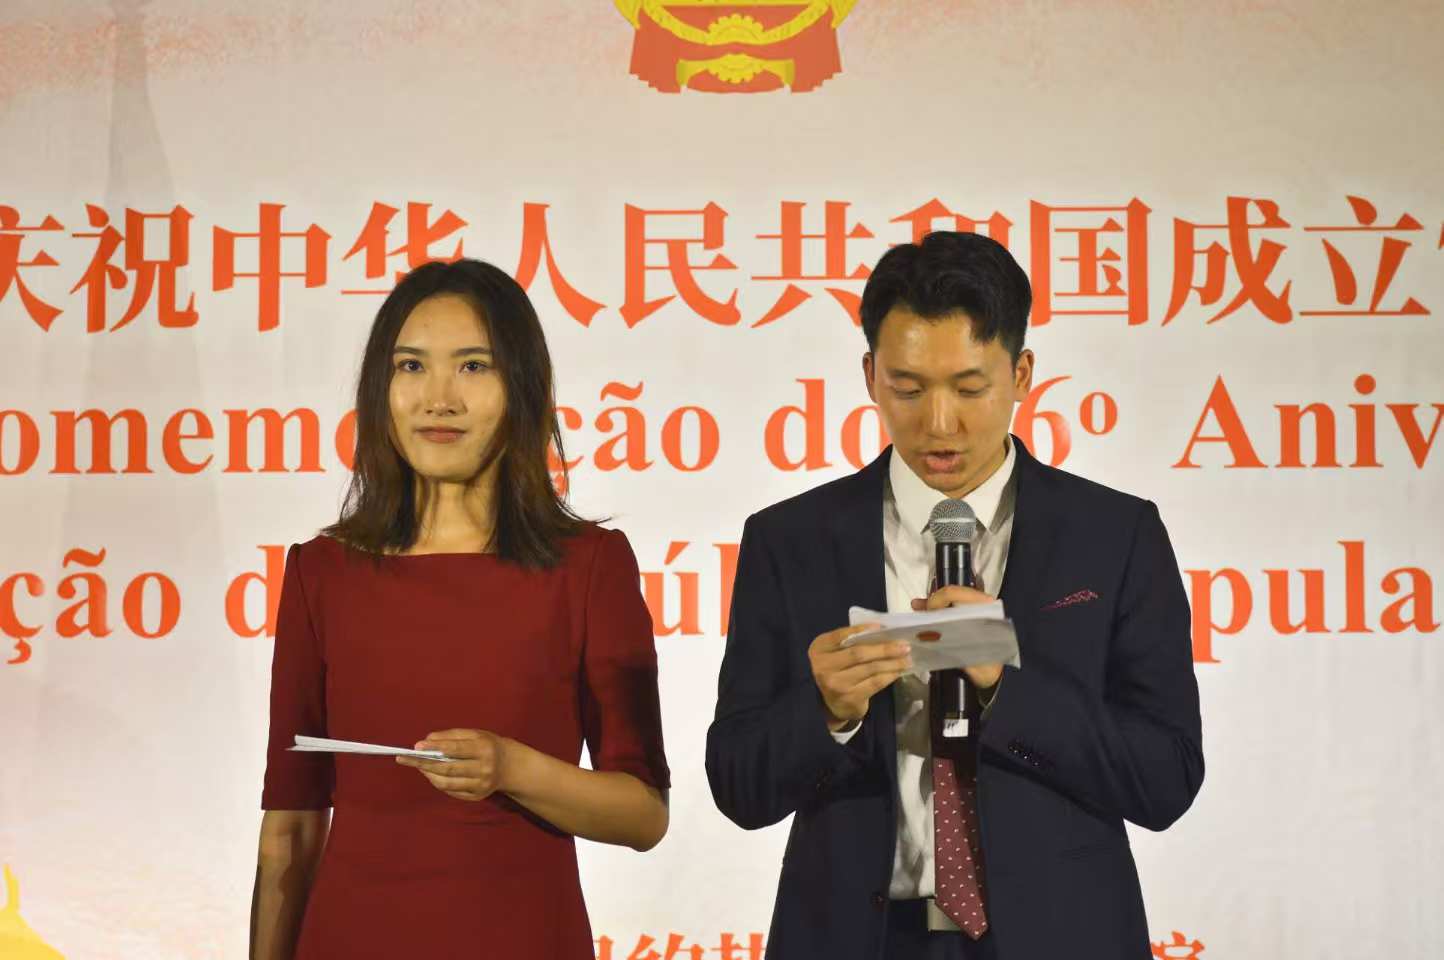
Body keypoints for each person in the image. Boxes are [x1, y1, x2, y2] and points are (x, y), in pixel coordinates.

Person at [706, 232, 1203, 959]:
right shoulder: (791, 539)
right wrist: (827, 711)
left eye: (970, 388)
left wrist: (1003, 684)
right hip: (856, 938)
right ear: (870, 376)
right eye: (907, 389)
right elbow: (737, 787)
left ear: (1022, 374)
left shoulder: (1114, 535)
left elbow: (1166, 777)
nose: (939, 424)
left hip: (1060, 936)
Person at [249, 259, 670, 960]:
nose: (437, 399)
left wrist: (511, 768)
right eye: (411, 367)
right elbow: (288, 828)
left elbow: (644, 814)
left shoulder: (588, 566)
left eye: (473, 366)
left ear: (523, 388)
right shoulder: (322, 573)